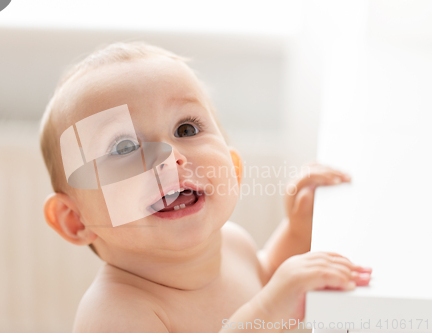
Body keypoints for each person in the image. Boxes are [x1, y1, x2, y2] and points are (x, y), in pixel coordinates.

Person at [39, 42, 372, 333]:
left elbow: (266, 280)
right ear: (75, 220)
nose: (170, 157)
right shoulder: (116, 313)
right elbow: (271, 303)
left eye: (185, 129)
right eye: (125, 148)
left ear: (234, 167)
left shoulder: (233, 242)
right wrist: (270, 311)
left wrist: (299, 230)